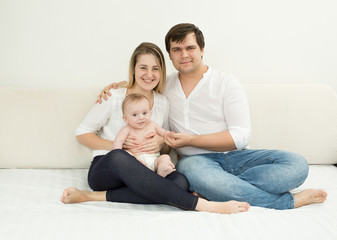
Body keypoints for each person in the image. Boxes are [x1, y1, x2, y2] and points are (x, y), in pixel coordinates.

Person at [97, 23, 327, 210]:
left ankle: (218, 189)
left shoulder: (227, 82)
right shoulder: (164, 87)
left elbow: (241, 136)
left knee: (297, 165)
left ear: (202, 50)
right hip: (196, 162)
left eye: (190, 48)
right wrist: (119, 85)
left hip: (238, 158)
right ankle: (287, 202)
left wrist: (190, 140)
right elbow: (142, 85)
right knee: (195, 174)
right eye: (176, 50)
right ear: (170, 56)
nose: (184, 55)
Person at [61, 41, 250, 214]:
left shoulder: (163, 102)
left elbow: (166, 146)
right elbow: (82, 132)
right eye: (143, 68)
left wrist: (161, 143)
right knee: (120, 156)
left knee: (180, 181)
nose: (149, 74)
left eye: (155, 69)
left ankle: (91, 196)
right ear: (133, 69)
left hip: (146, 169)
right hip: (109, 169)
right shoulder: (114, 96)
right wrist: (119, 146)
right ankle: (205, 206)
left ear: (161, 72)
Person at [114, 93, 175, 177]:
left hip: (154, 160)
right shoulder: (126, 129)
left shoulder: (153, 125)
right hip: (136, 159)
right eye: (135, 115)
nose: (141, 117)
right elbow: (119, 140)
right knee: (127, 154)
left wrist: (169, 134)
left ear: (150, 112)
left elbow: (164, 133)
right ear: (126, 119)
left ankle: (162, 171)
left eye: (145, 113)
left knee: (165, 157)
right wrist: (118, 152)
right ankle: (141, 167)